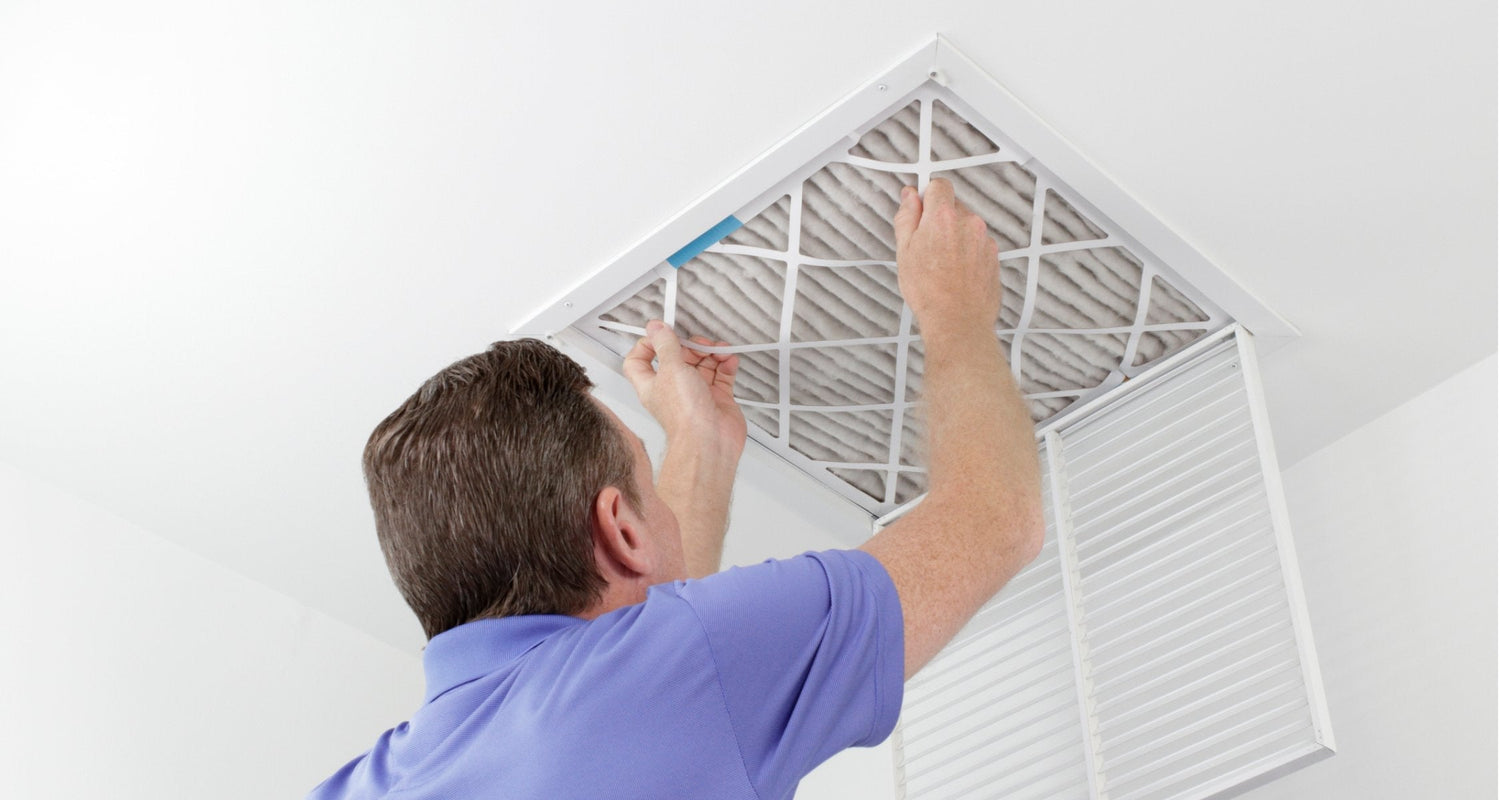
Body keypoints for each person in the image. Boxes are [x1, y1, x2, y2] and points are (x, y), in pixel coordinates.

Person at [307, 178, 1044, 800]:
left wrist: (699, 446)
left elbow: (648, 665)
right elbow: (995, 518)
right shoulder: (678, 664)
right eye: (644, 479)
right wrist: (956, 312)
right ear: (621, 531)